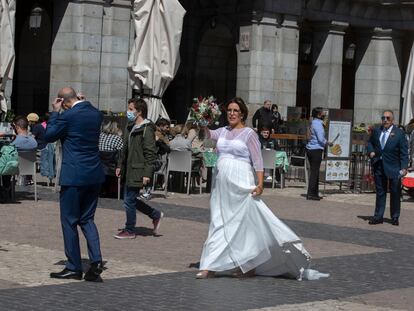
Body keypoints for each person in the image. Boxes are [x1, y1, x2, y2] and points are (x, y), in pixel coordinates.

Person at [196, 97, 328, 280]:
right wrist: (202, 119)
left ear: (242, 113)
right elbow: (208, 135)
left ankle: (248, 264)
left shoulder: (249, 134)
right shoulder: (223, 131)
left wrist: (260, 184)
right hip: (222, 184)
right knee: (218, 221)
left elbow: (257, 161)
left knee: (243, 223)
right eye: (229, 111)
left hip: (241, 181)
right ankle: (209, 265)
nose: (232, 114)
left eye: (235, 111)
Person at [46, 87, 105, 282]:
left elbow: (49, 136)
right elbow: (89, 111)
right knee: (87, 219)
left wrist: (55, 113)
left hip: (74, 175)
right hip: (94, 174)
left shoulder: (67, 116)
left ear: (63, 101)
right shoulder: (96, 114)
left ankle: (73, 266)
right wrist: (80, 102)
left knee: (69, 220)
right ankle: (96, 260)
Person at [114, 98, 164, 239]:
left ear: (139, 111)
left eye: (131, 109)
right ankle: (155, 215)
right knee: (130, 199)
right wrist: (119, 165)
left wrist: (147, 173)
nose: (128, 112)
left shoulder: (147, 129)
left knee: (128, 201)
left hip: (138, 169)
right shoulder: (130, 127)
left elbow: (150, 153)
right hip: (128, 169)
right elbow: (124, 149)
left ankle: (130, 230)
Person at [367, 110, 409, 226]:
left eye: (388, 118)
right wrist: (370, 151)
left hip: (394, 168)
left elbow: (404, 153)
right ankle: (378, 216)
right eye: (383, 118)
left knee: (395, 192)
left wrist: (404, 167)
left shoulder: (399, 133)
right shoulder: (377, 130)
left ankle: (395, 217)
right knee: (380, 192)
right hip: (379, 166)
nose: (385, 120)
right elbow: (370, 142)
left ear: (392, 120)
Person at [305, 107, 332, 201]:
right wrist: (328, 142)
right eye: (322, 114)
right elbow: (320, 139)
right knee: (314, 172)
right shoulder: (318, 124)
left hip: (311, 149)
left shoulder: (313, 123)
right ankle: (311, 194)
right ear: (318, 115)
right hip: (316, 149)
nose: (324, 115)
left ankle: (314, 193)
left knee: (314, 172)